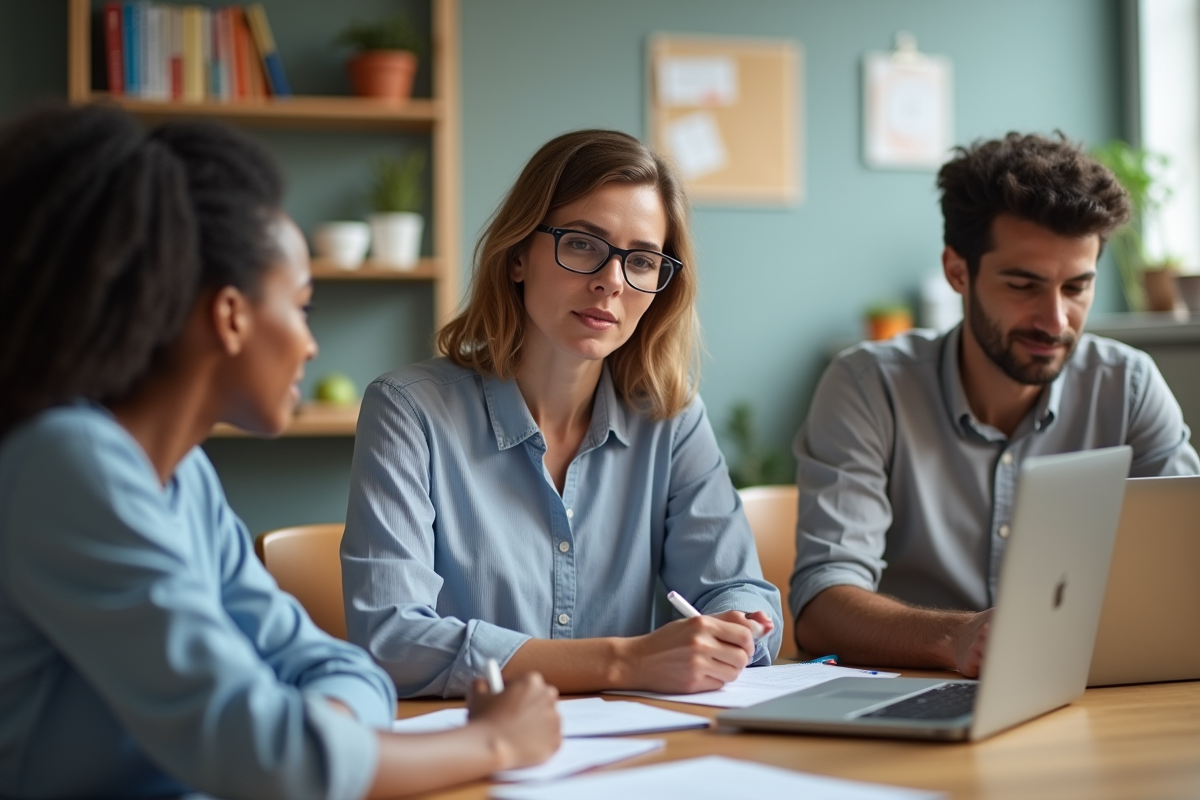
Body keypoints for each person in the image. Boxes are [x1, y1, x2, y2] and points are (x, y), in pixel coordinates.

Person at [0, 103, 560, 800]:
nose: (311, 343)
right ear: (230, 316)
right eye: (301, 308)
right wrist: (496, 741)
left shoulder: (185, 478)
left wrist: (309, 742)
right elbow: (270, 759)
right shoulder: (70, 463)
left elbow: (333, 668)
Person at [342, 129, 783, 699]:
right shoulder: (408, 412)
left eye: (642, 261)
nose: (610, 281)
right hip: (469, 755)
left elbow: (736, 588)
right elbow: (390, 640)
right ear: (519, 253)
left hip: (636, 753)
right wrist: (623, 662)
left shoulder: (670, 419)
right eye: (581, 244)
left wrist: (735, 626)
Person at [791, 132, 1200, 677]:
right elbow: (823, 607)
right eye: (1023, 285)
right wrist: (957, 637)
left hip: (1094, 695)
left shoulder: (1127, 386)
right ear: (958, 271)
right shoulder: (868, 387)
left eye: (1077, 288)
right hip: (913, 696)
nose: (1056, 321)